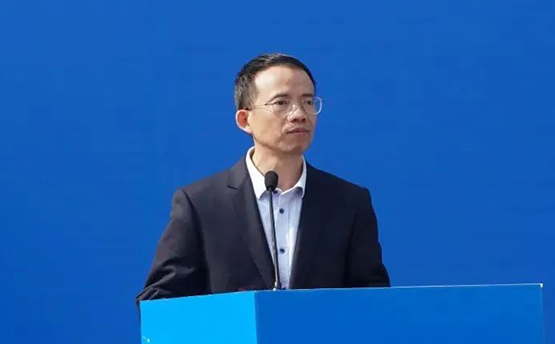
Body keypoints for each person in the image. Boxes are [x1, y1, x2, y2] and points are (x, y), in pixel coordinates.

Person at [136, 53, 390, 305]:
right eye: (281, 103)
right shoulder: (201, 204)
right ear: (245, 120)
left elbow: (373, 300)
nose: (299, 114)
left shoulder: (348, 202)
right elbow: (159, 301)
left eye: (308, 101)